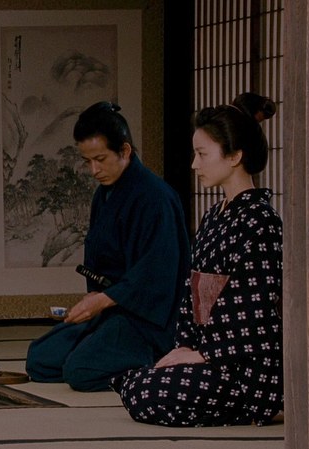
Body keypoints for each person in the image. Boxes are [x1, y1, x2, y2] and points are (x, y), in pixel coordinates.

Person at [112, 100, 283, 426]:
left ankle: (254, 405)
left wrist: (203, 354)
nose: (194, 164)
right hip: (209, 353)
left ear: (234, 156)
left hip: (243, 364)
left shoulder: (261, 220)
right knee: (137, 382)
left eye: (203, 154)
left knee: (145, 391)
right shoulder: (214, 216)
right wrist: (186, 347)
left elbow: (252, 309)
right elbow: (192, 294)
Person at [25, 101, 190, 392]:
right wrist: (96, 299)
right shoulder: (104, 195)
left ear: (124, 151)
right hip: (113, 309)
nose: (94, 170)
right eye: (87, 161)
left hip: (148, 319)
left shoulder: (156, 198)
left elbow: (156, 273)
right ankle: (105, 349)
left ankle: (156, 361)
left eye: (100, 159)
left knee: (79, 372)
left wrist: (102, 300)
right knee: (40, 359)